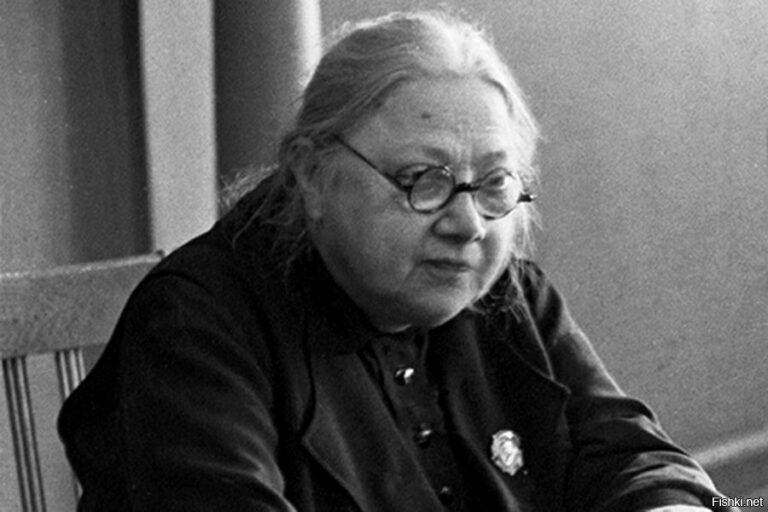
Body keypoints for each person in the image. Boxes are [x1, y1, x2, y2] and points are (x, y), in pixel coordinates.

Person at [58, 10, 738, 512]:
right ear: (311, 175)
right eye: (423, 180)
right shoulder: (195, 324)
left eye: (495, 184)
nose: (468, 224)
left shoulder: (503, 293)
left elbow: (629, 452)